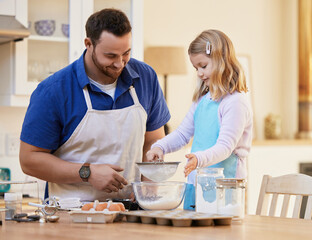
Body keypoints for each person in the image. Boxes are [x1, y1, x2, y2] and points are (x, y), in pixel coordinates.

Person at [19, 8, 170, 202]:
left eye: (126, 53)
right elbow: (30, 160)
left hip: (128, 212)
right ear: (88, 44)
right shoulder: (54, 90)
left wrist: (147, 191)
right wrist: (87, 173)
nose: (119, 64)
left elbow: (153, 143)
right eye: (110, 56)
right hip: (70, 216)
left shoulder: (145, 78)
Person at [146, 29, 253, 210]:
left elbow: (225, 147)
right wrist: (160, 146)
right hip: (197, 184)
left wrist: (198, 159)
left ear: (222, 61)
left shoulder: (235, 103)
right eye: (196, 68)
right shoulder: (202, 101)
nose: (199, 73)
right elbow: (182, 134)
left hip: (224, 187)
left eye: (203, 66)